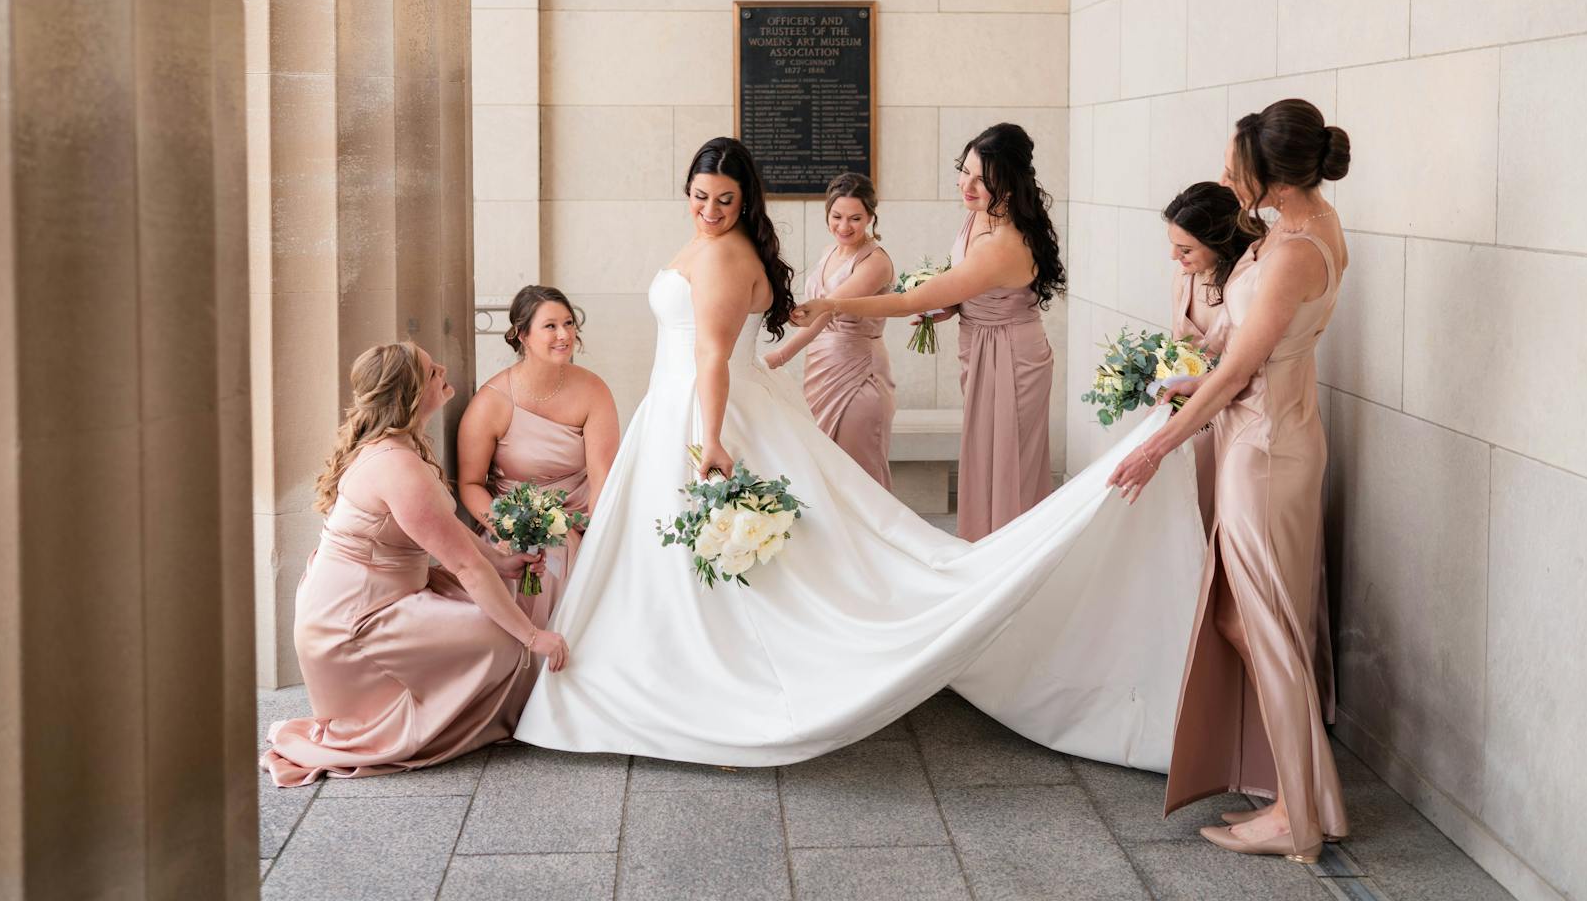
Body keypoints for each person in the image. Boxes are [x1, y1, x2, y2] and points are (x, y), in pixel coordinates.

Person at [513, 137, 1204, 769]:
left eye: (725, 199)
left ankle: (713, 669)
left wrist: (713, 436)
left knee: (781, 547)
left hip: (705, 407)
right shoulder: (705, 241)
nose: (710, 209)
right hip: (677, 406)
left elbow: (715, 356)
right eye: (699, 196)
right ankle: (668, 658)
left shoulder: (726, 255)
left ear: (745, 200)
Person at [1108, 100, 1352, 862]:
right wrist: (1197, 385)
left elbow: (1245, 367)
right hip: (1270, 434)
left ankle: (1296, 820)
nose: (1223, 177)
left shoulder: (1292, 253)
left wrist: (1157, 449)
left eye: (1233, 167)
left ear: (1272, 178)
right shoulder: (1302, 228)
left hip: (1264, 449)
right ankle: (1310, 803)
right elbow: (1246, 357)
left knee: (1266, 632)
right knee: (1249, 623)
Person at [262, 342, 569, 786]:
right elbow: (463, 565)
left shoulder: (402, 447)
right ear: (408, 393)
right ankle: (419, 726)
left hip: (385, 596)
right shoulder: (397, 466)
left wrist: (502, 561)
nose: (442, 368)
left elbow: (447, 530)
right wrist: (532, 635)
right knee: (503, 637)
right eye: (430, 371)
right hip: (354, 624)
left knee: (501, 615)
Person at [793, 123, 1063, 541]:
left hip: (1011, 356)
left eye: (982, 180)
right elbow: (969, 284)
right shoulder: (978, 215)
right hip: (983, 346)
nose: (967, 186)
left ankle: (1010, 560)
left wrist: (832, 303)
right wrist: (954, 305)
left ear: (1008, 184)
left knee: (1007, 467)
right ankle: (987, 553)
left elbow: (906, 302)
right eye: (965, 171)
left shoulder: (1002, 244)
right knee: (985, 461)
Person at [457, 284, 620, 631]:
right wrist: (507, 529)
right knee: (540, 560)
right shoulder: (491, 402)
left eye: (569, 323)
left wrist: (601, 536)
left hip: (582, 520)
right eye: (550, 326)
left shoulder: (594, 390)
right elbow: (470, 484)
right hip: (512, 526)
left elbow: (603, 473)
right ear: (522, 335)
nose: (564, 335)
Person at [764, 172, 896, 489]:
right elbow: (814, 311)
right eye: (836, 216)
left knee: (857, 470)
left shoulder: (875, 262)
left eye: (855, 218)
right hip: (821, 366)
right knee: (822, 470)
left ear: (871, 217)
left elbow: (828, 309)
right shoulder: (829, 252)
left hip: (859, 371)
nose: (844, 226)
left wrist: (781, 355)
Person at [1161, 181, 1260, 533]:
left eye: (1185, 247)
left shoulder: (1248, 283)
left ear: (1218, 241)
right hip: (1190, 411)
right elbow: (1178, 348)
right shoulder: (1184, 277)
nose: (1175, 255)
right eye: (1173, 244)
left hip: (1232, 413)